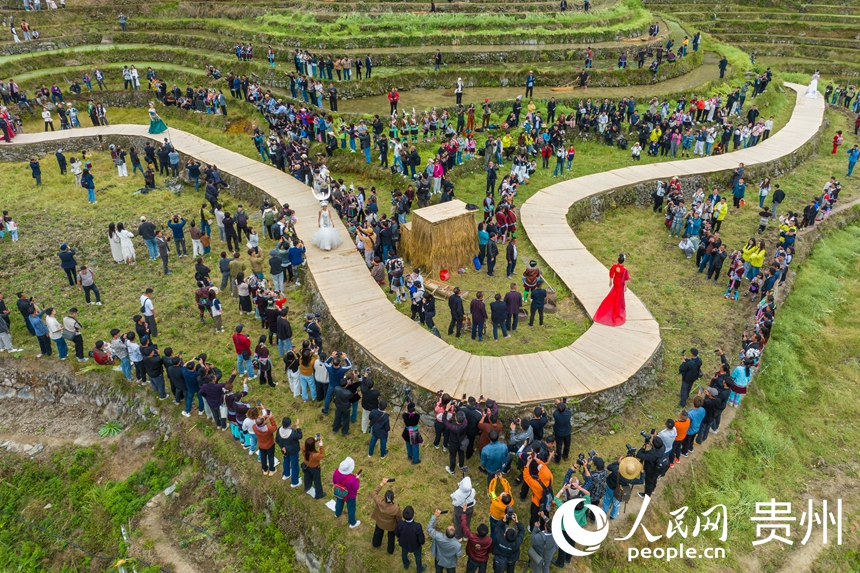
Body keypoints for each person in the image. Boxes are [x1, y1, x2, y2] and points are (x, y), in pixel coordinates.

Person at [593, 254, 629, 326]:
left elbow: (611, 273)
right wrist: (625, 287)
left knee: (614, 292)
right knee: (619, 296)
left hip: (615, 281)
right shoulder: (624, 270)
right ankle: (616, 308)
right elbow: (625, 279)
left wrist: (610, 281)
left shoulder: (615, 266)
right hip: (620, 284)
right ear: (623, 262)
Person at [428, 509, 462, 573]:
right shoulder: (458, 545)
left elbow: (429, 528)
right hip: (450, 563)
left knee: (438, 571)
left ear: (445, 532)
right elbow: (459, 554)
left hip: (439, 559)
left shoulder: (438, 537)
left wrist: (435, 516)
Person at [333, 456, 361, 528]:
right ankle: (352, 523)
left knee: (339, 502)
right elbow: (356, 487)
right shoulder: (352, 478)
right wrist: (357, 479)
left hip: (340, 492)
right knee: (351, 508)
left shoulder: (336, 472)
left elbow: (334, 481)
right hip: (350, 496)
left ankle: (337, 513)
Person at [395, 506, 425, 572]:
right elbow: (421, 537)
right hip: (416, 545)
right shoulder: (417, 526)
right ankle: (419, 569)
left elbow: (396, 533)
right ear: (413, 515)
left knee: (404, 554)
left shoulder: (400, 523)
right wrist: (422, 542)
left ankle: (406, 564)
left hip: (404, 543)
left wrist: (400, 537)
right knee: (418, 557)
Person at [276, 417, 303, 487]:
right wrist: (297, 427)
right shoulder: (292, 433)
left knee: (286, 461)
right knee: (294, 466)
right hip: (293, 451)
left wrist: (282, 447)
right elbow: (300, 436)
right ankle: (294, 482)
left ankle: (286, 474)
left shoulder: (279, 429)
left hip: (285, 450)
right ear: (290, 424)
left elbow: (277, 440)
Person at [253, 410, 278, 476]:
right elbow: (275, 427)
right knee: (271, 457)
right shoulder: (269, 429)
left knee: (263, 457)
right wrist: (271, 417)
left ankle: (265, 470)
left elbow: (260, 422)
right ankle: (272, 470)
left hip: (261, 445)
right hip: (270, 445)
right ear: (264, 422)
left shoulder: (254, 427)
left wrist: (265, 416)